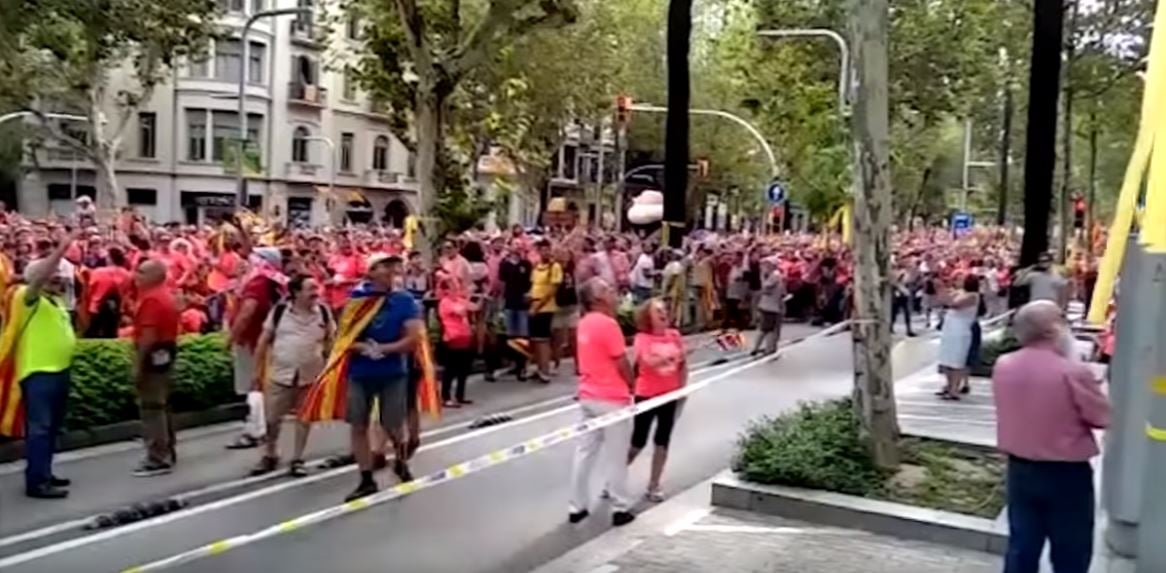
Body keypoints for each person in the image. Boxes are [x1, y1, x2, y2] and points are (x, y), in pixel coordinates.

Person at [993, 301, 1109, 573]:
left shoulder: (1004, 364)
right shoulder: (1072, 371)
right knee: (1071, 549)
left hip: (1020, 469)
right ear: (1052, 330)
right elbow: (1102, 417)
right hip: (1066, 474)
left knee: (1022, 544)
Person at [2, 229, 80, 498]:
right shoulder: (27, 297)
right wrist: (61, 248)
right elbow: (36, 279)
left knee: (51, 429)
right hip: (39, 374)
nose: (59, 277)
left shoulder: (55, 300)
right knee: (40, 429)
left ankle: (44, 473)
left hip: (58, 373)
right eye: (53, 273)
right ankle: (36, 482)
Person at [343, 254, 422, 502]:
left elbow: (414, 338)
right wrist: (364, 349)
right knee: (358, 425)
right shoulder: (357, 301)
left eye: (393, 266)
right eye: (385, 266)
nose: (391, 270)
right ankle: (366, 479)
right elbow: (343, 339)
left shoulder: (404, 300)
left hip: (393, 372)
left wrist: (384, 349)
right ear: (371, 271)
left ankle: (400, 461)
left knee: (392, 424)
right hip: (360, 372)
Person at [250, 275, 334, 477]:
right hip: (280, 375)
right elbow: (263, 342)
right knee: (271, 419)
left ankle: (298, 458)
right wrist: (256, 373)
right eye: (310, 288)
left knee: (304, 419)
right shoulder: (279, 312)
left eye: (316, 288)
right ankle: (270, 453)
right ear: (296, 292)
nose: (316, 292)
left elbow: (331, 340)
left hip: (310, 375)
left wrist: (330, 367)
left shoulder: (323, 311)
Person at [569, 277, 635, 527]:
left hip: (588, 395)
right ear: (596, 299)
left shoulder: (584, 323)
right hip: (612, 397)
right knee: (616, 456)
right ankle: (620, 507)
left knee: (584, 453)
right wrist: (632, 383)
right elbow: (620, 361)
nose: (613, 292)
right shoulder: (608, 324)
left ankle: (576, 506)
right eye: (607, 290)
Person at [226, 247, 285, 449]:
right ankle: (263, 428)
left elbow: (247, 312)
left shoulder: (258, 282)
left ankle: (254, 431)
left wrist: (231, 338)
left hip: (253, 341)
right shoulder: (273, 281)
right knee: (261, 385)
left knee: (254, 385)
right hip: (265, 340)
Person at [628, 299, 686, 502]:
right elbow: (647, 361)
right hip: (646, 395)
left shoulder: (675, 336)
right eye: (658, 311)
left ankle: (654, 485)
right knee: (638, 442)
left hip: (669, 395)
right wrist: (669, 358)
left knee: (662, 441)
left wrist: (683, 389)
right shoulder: (642, 338)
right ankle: (614, 477)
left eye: (664, 310)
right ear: (648, 317)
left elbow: (683, 364)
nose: (664, 313)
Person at [131, 260, 180, 477]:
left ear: (155, 276)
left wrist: (138, 365)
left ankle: (157, 457)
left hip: (153, 354)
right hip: (166, 353)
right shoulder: (166, 295)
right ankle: (167, 450)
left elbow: (148, 337)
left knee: (152, 406)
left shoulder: (151, 299)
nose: (136, 275)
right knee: (163, 404)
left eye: (141, 272)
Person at [936, 275, 981, 399]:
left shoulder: (973, 296)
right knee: (947, 359)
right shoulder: (960, 292)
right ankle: (949, 386)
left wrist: (945, 293)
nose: (958, 281)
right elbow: (942, 300)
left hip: (960, 330)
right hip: (950, 329)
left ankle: (954, 389)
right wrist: (941, 289)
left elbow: (954, 304)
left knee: (957, 360)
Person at [436, 277, 477, 407]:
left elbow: (475, 308)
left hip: (465, 337)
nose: (456, 287)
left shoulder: (459, 299)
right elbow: (461, 310)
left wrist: (484, 295)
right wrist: (469, 296)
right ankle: (445, 397)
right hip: (453, 337)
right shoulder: (445, 302)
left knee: (464, 369)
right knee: (451, 369)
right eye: (452, 286)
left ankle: (460, 396)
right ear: (446, 290)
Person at [528, 239, 562, 383]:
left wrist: (538, 306)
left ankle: (545, 369)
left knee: (543, 340)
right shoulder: (536, 266)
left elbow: (552, 290)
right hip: (533, 305)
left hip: (545, 308)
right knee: (534, 339)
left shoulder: (555, 267)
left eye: (547, 249)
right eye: (542, 250)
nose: (545, 252)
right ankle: (538, 367)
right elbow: (533, 285)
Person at [498, 242, 532, 380]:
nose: (517, 248)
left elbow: (531, 282)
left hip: (522, 304)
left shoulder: (526, 264)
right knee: (511, 335)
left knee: (522, 335)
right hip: (509, 302)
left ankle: (522, 365)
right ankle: (513, 362)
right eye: (515, 246)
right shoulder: (504, 265)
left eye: (519, 246)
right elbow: (502, 283)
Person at [752, 259, 785, 356]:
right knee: (767, 328)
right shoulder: (771, 275)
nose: (763, 268)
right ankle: (764, 348)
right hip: (769, 306)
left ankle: (767, 348)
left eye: (765, 266)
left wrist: (762, 276)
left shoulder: (775, 275)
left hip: (772, 305)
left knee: (768, 328)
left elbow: (766, 287)